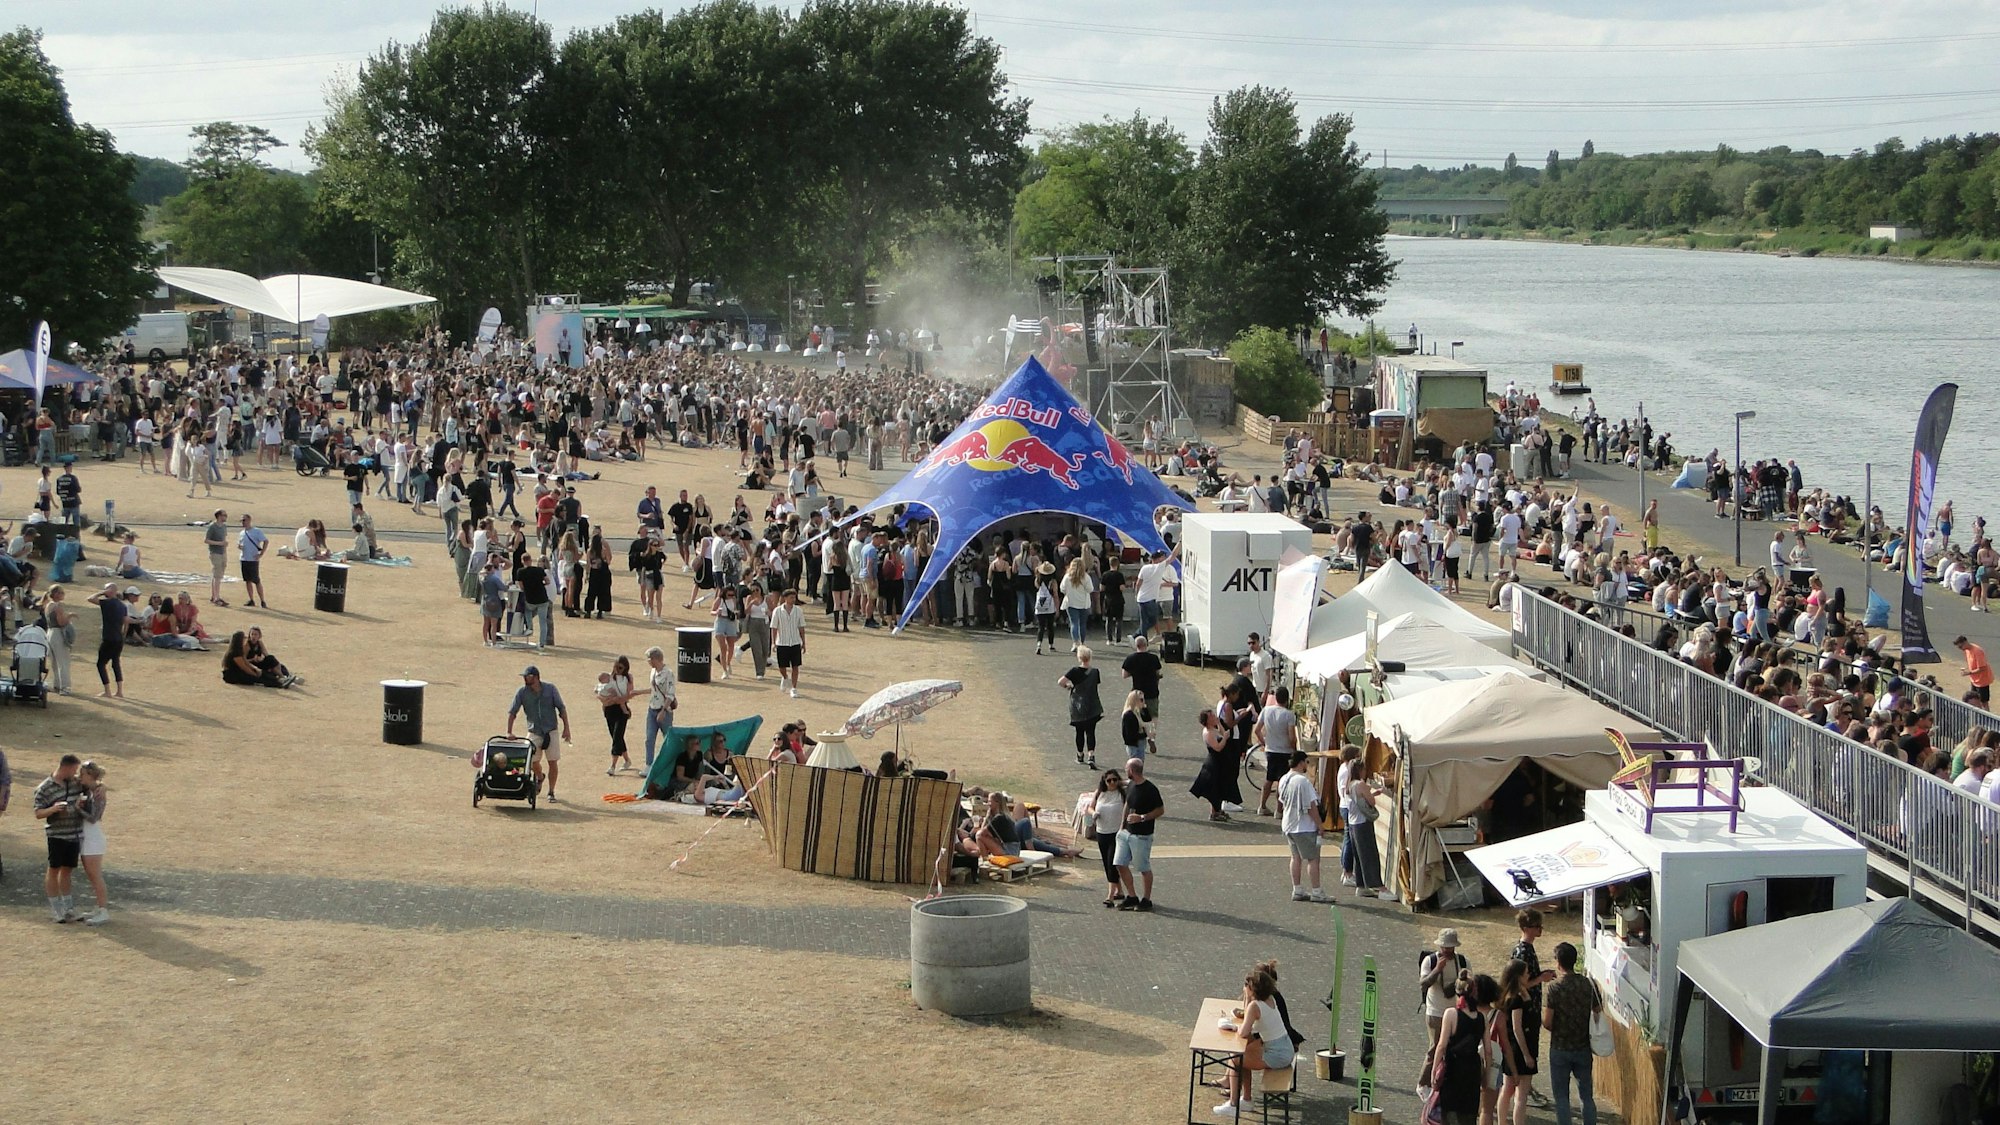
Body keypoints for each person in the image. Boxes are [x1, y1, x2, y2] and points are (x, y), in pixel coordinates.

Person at [1214, 965, 1297, 1117]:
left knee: (1235, 1058)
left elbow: (1244, 1032)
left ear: (1252, 988)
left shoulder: (1255, 1006)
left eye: (1246, 985)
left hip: (1278, 1055)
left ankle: (1234, 1104)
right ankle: (1245, 1100)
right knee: (1242, 1055)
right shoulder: (1270, 999)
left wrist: (1245, 1001)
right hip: (1285, 1047)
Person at [1428, 973, 1500, 1125]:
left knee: (1450, 1113)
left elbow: (1441, 1046)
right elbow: (1488, 1051)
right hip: (1472, 1071)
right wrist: (1486, 1075)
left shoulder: (1451, 1014)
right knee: (1468, 1114)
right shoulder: (1481, 1018)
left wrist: (1434, 1070)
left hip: (1453, 1070)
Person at [1543, 941, 1601, 1125]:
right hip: (1583, 1046)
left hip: (1560, 1047)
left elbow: (1548, 1022)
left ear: (1558, 962)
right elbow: (1598, 1010)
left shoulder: (1554, 988)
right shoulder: (1587, 984)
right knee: (1586, 1096)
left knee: (1561, 1098)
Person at [1509, 908, 1557, 1109]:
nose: (1541, 930)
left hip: (1532, 1006)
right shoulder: (1522, 951)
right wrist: (1541, 978)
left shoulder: (1527, 948)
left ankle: (1526, 1087)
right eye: (1537, 926)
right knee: (1527, 1049)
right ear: (1527, 928)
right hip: (1526, 1008)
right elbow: (1519, 984)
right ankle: (1524, 1088)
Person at [33, 753, 87, 923]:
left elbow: (91, 785)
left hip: (74, 833)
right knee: (54, 869)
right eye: (74, 769)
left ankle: (69, 908)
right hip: (56, 835)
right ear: (67, 767)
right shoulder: (45, 788)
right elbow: (38, 813)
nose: (76, 773)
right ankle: (56, 909)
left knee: (67, 870)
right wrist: (53, 809)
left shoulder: (75, 783)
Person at [506, 665, 572, 801]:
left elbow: (561, 708)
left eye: (528, 677)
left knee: (552, 762)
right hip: (534, 731)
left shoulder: (551, 689)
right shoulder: (522, 692)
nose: (525, 679)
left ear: (536, 677)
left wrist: (566, 728)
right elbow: (513, 712)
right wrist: (509, 732)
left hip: (551, 730)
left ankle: (551, 791)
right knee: (530, 760)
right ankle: (540, 776)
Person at [1418, 929, 1470, 1096]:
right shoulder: (1430, 960)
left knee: (1453, 1049)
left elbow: (1470, 985)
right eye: (1444, 947)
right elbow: (1424, 984)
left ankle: (1444, 1082)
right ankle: (1423, 1084)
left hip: (1455, 1012)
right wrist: (1437, 970)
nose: (1447, 951)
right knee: (1435, 1048)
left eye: (1450, 947)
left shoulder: (1462, 961)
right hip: (1435, 1012)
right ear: (1439, 946)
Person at [1277, 750, 1327, 903]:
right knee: (1313, 859)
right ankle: (1316, 890)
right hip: (1304, 826)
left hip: (1289, 824)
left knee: (1295, 857)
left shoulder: (1284, 779)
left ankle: (1297, 889)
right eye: (1306, 762)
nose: (1307, 765)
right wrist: (1320, 825)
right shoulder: (1303, 781)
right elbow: (1311, 806)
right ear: (1300, 763)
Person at [1115, 756, 1163, 911]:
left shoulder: (1150, 789)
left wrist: (1142, 818)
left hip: (1142, 835)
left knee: (1143, 867)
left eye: (1126, 769)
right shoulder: (1131, 785)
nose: (1125, 771)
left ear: (1131, 770)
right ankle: (1132, 896)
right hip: (1126, 834)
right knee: (1120, 863)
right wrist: (1122, 826)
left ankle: (1146, 899)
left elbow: (1160, 810)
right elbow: (1127, 804)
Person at [1345, 752, 1394, 899]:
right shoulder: (1360, 784)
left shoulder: (1350, 785)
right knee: (1369, 854)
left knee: (1359, 856)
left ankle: (1361, 885)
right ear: (1361, 770)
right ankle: (1379, 887)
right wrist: (1372, 794)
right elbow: (1371, 802)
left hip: (1353, 822)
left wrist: (1372, 793)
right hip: (1362, 823)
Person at [1497, 959, 1538, 1125]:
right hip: (1520, 1048)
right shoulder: (1516, 999)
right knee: (1520, 1094)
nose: (1528, 974)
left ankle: (1502, 1122)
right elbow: (1517, 1027)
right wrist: (1526, 1054)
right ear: (1518, 976)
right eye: (1526, 972)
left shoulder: (1518, 993)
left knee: (1508, 1089)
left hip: (1516, 1047)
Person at [1190, 706, 1243, 821]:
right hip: (1213, 763)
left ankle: (1217, 811)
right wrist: (1224, 738)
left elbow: (1224, 733)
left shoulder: (1213, 729)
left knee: (1219, 786)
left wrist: (1219, 725)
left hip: (1220, 762)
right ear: (1207, 720)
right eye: (1212, 716)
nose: (1215, 717)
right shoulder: (1208, 732)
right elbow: (1217, 747)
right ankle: (1214, 812)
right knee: (1214, 787)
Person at [1254, 685, 1299, 817]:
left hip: (1270, 749)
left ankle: (1262, 806)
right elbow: (1291, 737)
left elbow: (1257, 730)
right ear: (1287, 699)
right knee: (1282, 781)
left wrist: (1264, 741)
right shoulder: (1289, 715)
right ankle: (1279, 810)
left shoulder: (1266, 710)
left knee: (1269, 778)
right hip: (1284, 751)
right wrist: (1294, 748)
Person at [1085, 768, 1128, 907]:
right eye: (1109, 780)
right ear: (1104, 781)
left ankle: (1110, 895)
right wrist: (1094, 813)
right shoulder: (1100, 793)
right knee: (1106, 862)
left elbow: (1132, 782)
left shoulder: (1122, 793)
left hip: (1117, 833)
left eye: (1115, 780)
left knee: (1112, 862)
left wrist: (1122, 783)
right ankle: (1120, 891)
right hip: (1102, 832)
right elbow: (1089, 808)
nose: (1112, 783)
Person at [76, 760, 111, 926]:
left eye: (82, 774)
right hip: (86, 837)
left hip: (93, 838)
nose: (79, 777)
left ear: (89, 775)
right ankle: (98, 907)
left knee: (95, 875)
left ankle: (103, 910)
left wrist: (77, 809)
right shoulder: (89, 790)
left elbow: (94, 818)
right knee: (91, 875)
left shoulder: (98, 793)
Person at [1059, 645, 1105, 768]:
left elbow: (1061, 681)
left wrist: (1069, 686)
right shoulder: (1095, 672)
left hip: (1077, 706)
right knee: (1091, 731)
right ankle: (1091, 755)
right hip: (1092, 704)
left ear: (1079, 657)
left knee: (1079, 731)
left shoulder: (1074, 671)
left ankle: (1080, 755)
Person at [86, 583, 127, 698]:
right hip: (119, 638)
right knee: (116, 663)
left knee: (100, 664)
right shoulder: (122, 605)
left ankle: (107, 691)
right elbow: (125, 620)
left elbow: (90, 599)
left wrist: (102, 593)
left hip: (109, 637)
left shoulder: (107, 603)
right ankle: (119, 691)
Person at [640, 646, 677, 768]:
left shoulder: (668, 673)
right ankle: (649, 764)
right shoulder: (653, 672)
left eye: (649, 659)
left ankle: (671, 763)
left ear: (655, 659)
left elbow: (670, 694)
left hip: (664, 711)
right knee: (649, 738)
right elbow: (653, 690)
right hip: (652, 709)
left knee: (668, 738)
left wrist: (663, 711)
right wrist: (637, 692)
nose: (648, 662)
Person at [599, 656, 634, 775]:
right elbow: (599, 691)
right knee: (615, 735)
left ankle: (612, 765)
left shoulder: (628, 678)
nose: (618, 670)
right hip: (609, 709)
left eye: (620, 667)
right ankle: (627, 760)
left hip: (621, 710)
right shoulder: (609, 678)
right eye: (616, 667)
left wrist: (619, 700)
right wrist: (609, 700)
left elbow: (629, 694)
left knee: (617, 736)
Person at [1134, 547, 1179, 640]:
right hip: (1150, 599)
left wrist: (1136, 594)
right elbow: (1173, 556)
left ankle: (1141, 638)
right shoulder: (1159, 567)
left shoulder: (1144, 568)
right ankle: (1137, 636)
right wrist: (1179, 543)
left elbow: (1138, 583)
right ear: (1157, 559)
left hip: (1141, 598)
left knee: (1145, 621)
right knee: (1152, 620)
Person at [771, 586, 806, 699]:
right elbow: (774, 627)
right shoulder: (777, 611)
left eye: (794, 597)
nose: (793, 599)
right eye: (791, 597)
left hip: (795, 642)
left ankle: (794, 688)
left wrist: (803, 642)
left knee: (795, 666)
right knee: (782, 667)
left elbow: (801, 627)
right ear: (785, 598)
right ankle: (785, 677)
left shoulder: (798, 611)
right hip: (782, 642)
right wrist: (773, 642)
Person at [1121, 634, 1163, 722]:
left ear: (1136, 646)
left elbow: (1124, 675)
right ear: (1146, 644)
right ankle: (1152, 733)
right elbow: (1158, 674)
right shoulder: (1154, 658)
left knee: (1136, 715)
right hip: (1152, 691)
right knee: (1153, 715)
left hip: (1137, 692)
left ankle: (1140, 731)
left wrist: (1134, 672)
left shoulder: (1131, 659)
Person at [239, 513, 270, 608]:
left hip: (253, 560)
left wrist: (261, 554)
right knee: (247, 580)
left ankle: (262, 600)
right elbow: (240, 543)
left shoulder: (256, 531)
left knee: (256, 580)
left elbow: (265, 541)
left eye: (244, 520)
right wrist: (240, 547)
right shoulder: (242, 533)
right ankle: (251, 599)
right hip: (244, 558)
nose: (243, 523)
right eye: (241, 521)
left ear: (249, 520)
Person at [1957, 635, 1992, 709]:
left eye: (1961, 647)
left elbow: (1982, 668)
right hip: (1974, 680)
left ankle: (1986, 718)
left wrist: (1968, 673)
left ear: (1965, 642)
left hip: (1982, 681)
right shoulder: (1967, 650)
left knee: (1983, 702)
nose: (1961, 649)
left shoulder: (1977, 651)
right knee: (1973, 700)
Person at [205, 508, 230, 605]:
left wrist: (224, 548)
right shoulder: (212, 527)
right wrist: (219, 543)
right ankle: (217, 597)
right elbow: (207, 540)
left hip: (223, 553)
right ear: (219, 516)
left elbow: (224, 538)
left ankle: (214, 595)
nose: (226, 517)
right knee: (217, 575)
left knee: (218, 575)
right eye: (224, 515)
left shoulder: (224, 527)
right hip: (215, 553)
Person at [1119, 689, 1150, 763]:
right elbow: (1130, 734)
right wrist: (1146, 734)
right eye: (1141, 699)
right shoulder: (1128, 715)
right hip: (1134, 745)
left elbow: (1148, 718)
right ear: (1134, 700)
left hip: (1140, 743)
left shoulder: (1137, 711)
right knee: (1135, 766)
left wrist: (1144, 707)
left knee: (1140, 764)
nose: (1143, 701)